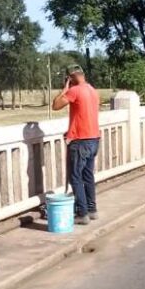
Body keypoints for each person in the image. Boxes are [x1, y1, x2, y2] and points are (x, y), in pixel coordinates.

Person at [52, 65, 101, 225]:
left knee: (76, 178)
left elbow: (55, 105)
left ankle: (82, 213)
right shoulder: (92, 90)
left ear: (71, 78)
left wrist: (65, 88)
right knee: (88, 175)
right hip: (94, 138)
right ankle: (92, 210)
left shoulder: (74, 91)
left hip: (80, 141)